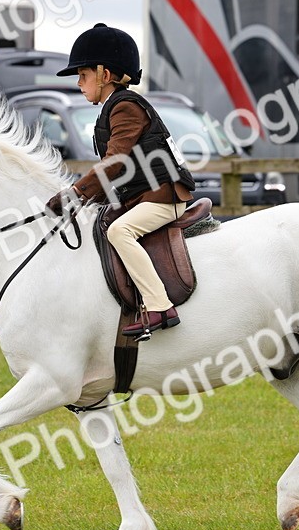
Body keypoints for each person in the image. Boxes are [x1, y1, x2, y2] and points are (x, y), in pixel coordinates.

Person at [46, 23, 196, 337]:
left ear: (105, 74)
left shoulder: (126, 107)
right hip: (145, 195)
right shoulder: (113, 108)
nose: (79, 82)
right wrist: (88, 201)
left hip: (164, 196)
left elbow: (114, 163)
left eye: (83, 75)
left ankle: (158, 306)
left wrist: (75, 192)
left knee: (120, 231)